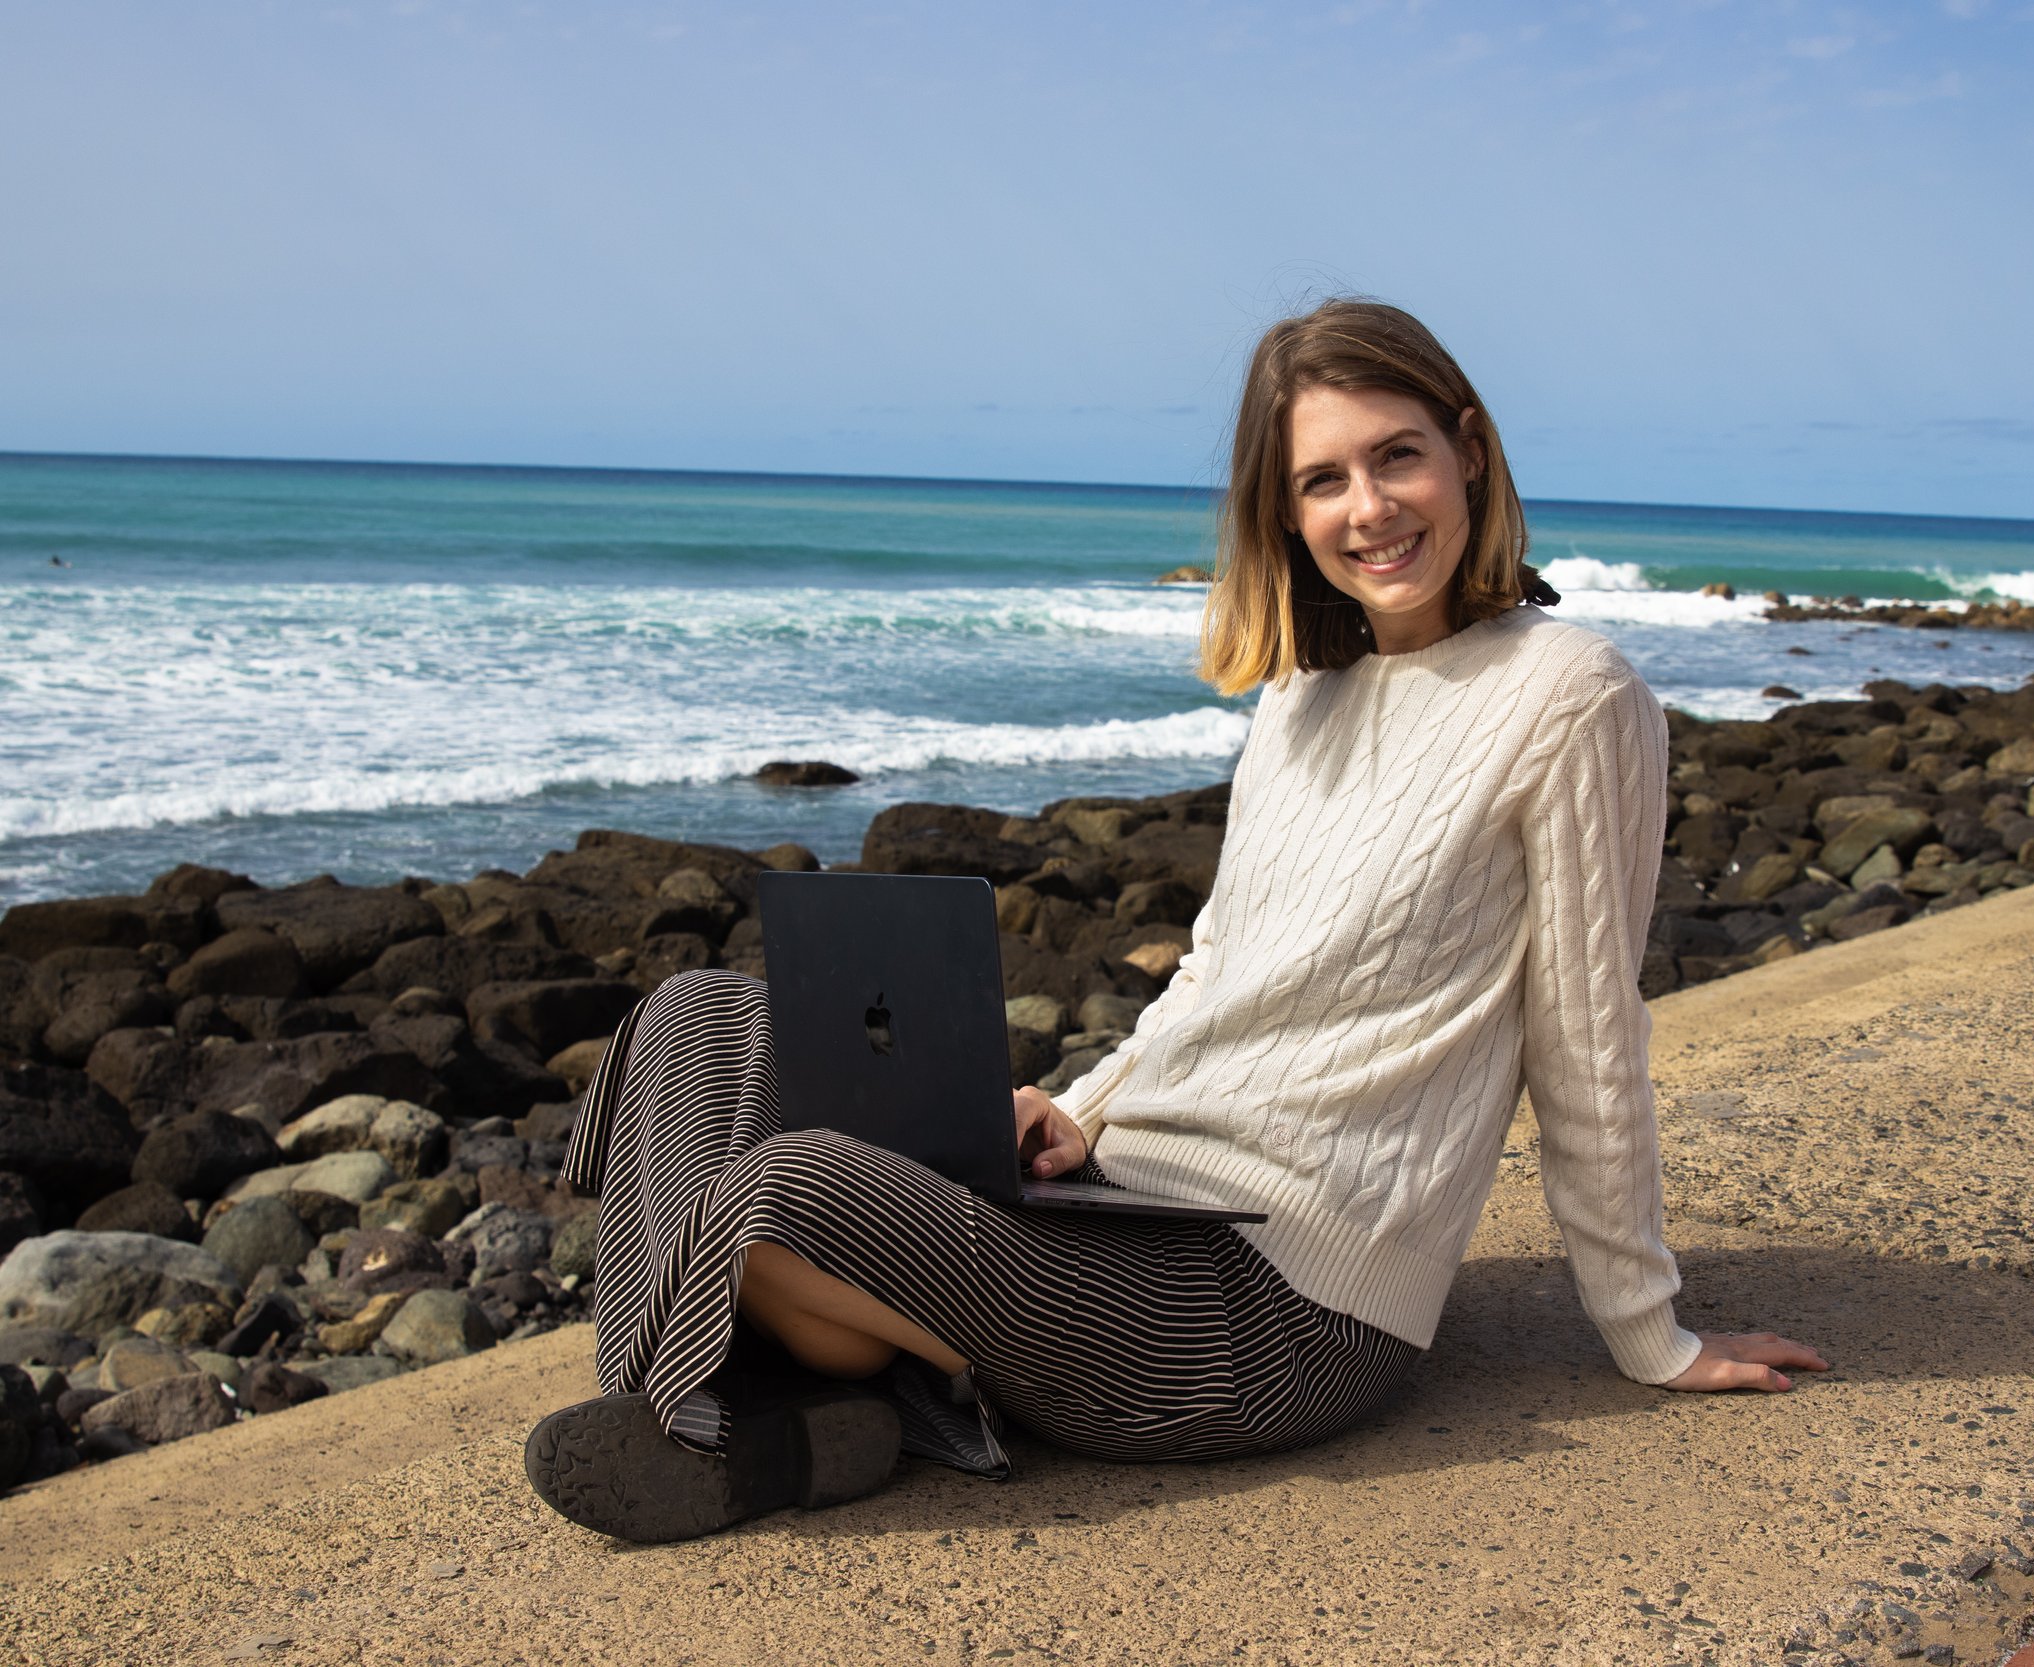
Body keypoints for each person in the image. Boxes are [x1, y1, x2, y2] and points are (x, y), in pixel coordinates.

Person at [526, 298, 1827, 1543]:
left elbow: (1590, 1040)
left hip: (1282, 1314)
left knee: (785, 1189)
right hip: (1123, 1200)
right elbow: (1215, 973)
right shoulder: (1305, 699)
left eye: (1397, 458)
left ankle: (730, 1419)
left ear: (1469, 455)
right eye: (1324, 480)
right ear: (1285, 510)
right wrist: (1078, 1112)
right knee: (700, 1019)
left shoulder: (1573, 695)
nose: (1367, 508)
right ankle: (765, 1404)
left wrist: (1650, 1330)